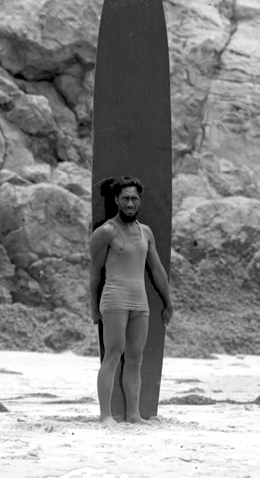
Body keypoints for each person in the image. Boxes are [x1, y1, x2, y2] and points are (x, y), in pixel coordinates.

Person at [90, 176, 173, 425]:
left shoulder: (146, 232)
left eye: (134, 198)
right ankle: (105, 415)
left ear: (140, 201)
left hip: (140, 301)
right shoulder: (105, 232)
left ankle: (133, 415)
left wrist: (168, 302)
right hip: (114, 298)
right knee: (113, 354)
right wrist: (94, 308)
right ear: (116, 200)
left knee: (136, 359)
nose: (130, 203)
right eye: (125, 198)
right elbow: (95, 273)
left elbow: (157, 269)